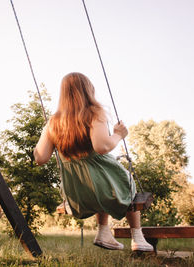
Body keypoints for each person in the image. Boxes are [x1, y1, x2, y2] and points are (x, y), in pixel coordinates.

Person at [33, 72, 153, 251]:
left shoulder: (53, 122)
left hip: (77, 193)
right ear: (87, 90)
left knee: (100, 185)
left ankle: (103, 232)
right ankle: (138, 238)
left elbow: (40, 158)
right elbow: (102, 146)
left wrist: (47, 133)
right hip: (105, 185)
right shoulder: (93, 113)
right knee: (127, 184)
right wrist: (118, 135)